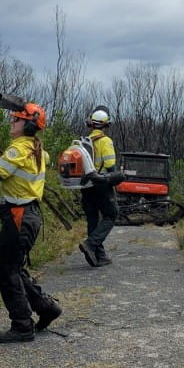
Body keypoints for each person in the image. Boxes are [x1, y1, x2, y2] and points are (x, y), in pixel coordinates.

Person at [0, 100, 61, 343]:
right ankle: (46, 308)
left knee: (7, 271)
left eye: (16, 119)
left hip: (18, 216)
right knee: (15, 269)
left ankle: (22, 326)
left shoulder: (17, 150)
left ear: (26, 125)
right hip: (30, 216)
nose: (12, 121)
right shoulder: (39, 150)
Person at [77, 105, 120, 267]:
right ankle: (90, 245)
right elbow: (110, 164)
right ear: (106, 124)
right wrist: (115, 180)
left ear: (91, 124)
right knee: (111, 214)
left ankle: (98, 255)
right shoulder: (105, 141)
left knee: (93, 219)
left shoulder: (82, 142)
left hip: (85, 186)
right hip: (101, 184)